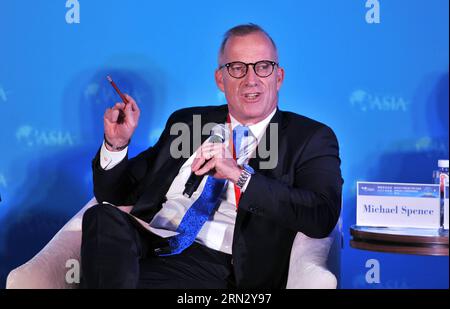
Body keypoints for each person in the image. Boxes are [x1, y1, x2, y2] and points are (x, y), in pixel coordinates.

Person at [80, 23, 343, 289]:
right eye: (237, 68)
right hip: (153, 240)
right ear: (220, 79)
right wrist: (116, 143)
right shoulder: (189, 122)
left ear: (279, 77)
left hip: (220, 265)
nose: (251, 79)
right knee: (101, 217)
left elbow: (321, 215)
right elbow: (114, 195)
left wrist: (238, 176)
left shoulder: (310, 137)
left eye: (263, 66)